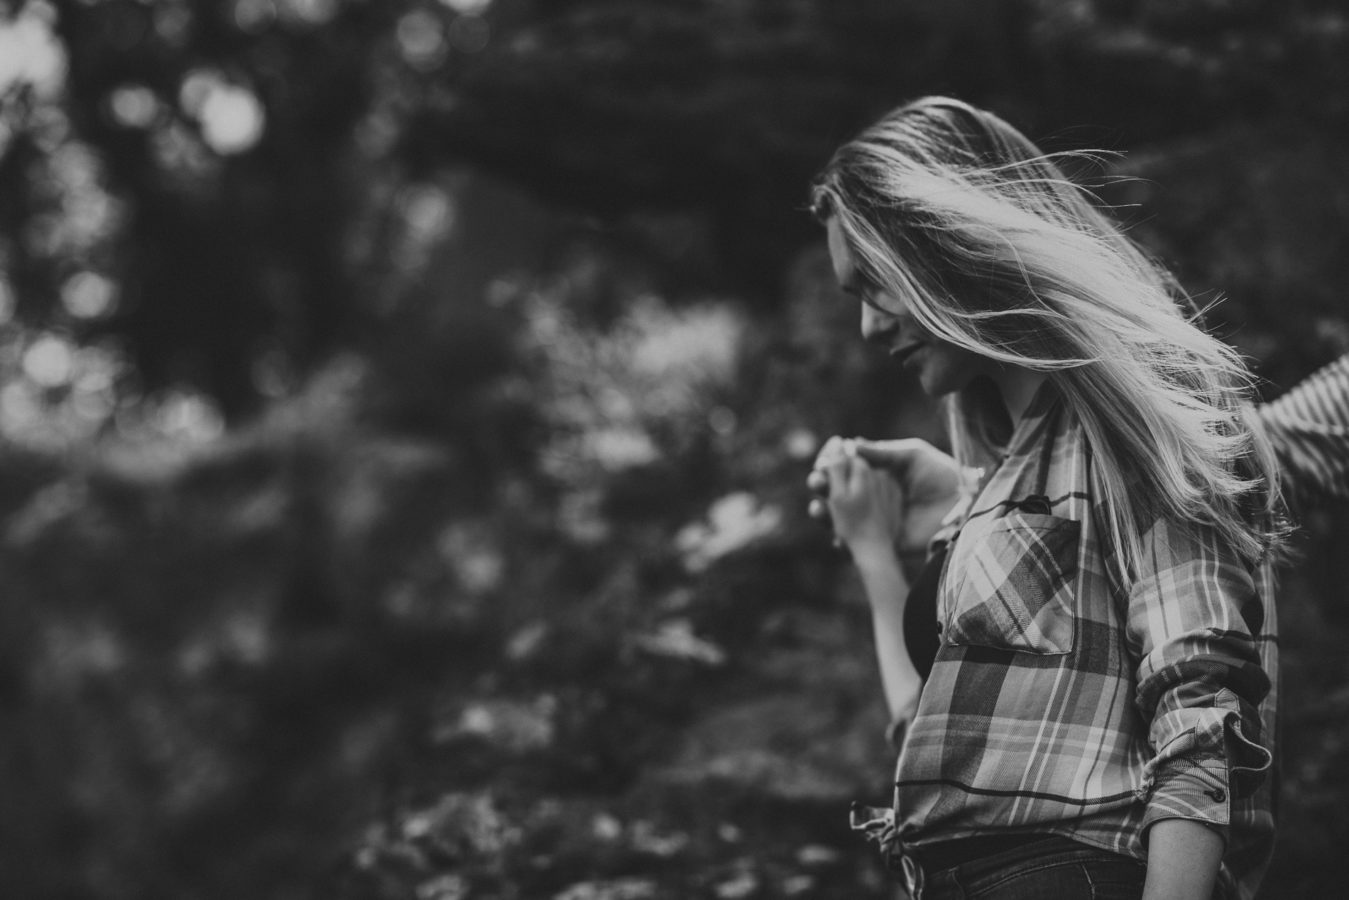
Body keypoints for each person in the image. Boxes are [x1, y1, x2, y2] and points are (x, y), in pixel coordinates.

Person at [806, 96, 1291, 900]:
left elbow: (1199, 712)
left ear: (948, 240)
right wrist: (875, 550)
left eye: (874, 283)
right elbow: (923, 748)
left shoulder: (1131, 415)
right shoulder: (1003, 476)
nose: (865, 326)